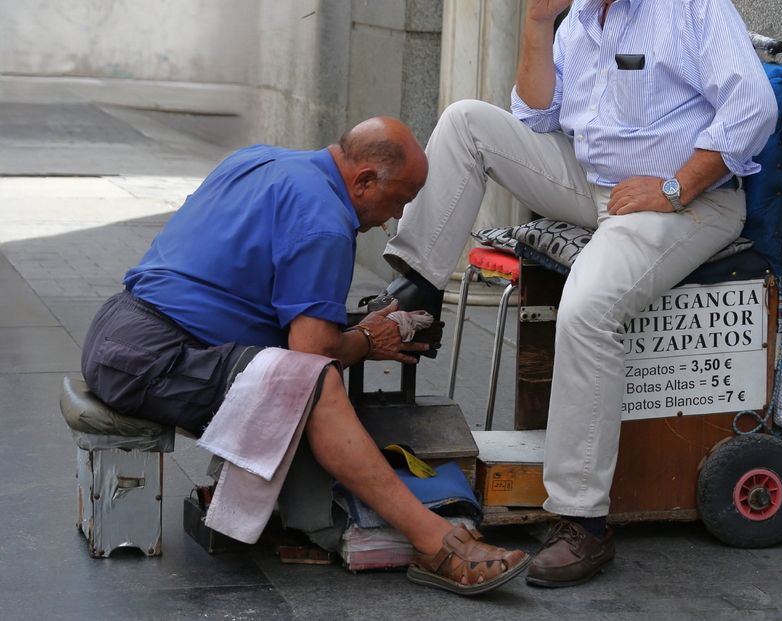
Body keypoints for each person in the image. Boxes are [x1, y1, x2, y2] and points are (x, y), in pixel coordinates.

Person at [379, 0, 778, 588]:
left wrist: (674, 184)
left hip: (685, 202)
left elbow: (752, 107)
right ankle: (416, 291)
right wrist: (538, 23)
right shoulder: (580, 15)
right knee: (469, 121)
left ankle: (582, 521)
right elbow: (534, 115)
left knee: (588, 307)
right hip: (590, 181)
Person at [80, 116, 529, 596]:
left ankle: (271, 500)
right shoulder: (324, 223)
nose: (394, 218)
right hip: (152, 358)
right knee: (316, 387)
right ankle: (434, 541)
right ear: (364, 181)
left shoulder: (258, 159)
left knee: (292, 372)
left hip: (115, 329)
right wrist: (368, 340)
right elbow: (310, 356)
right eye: (398, 200)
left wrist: (352, 329)